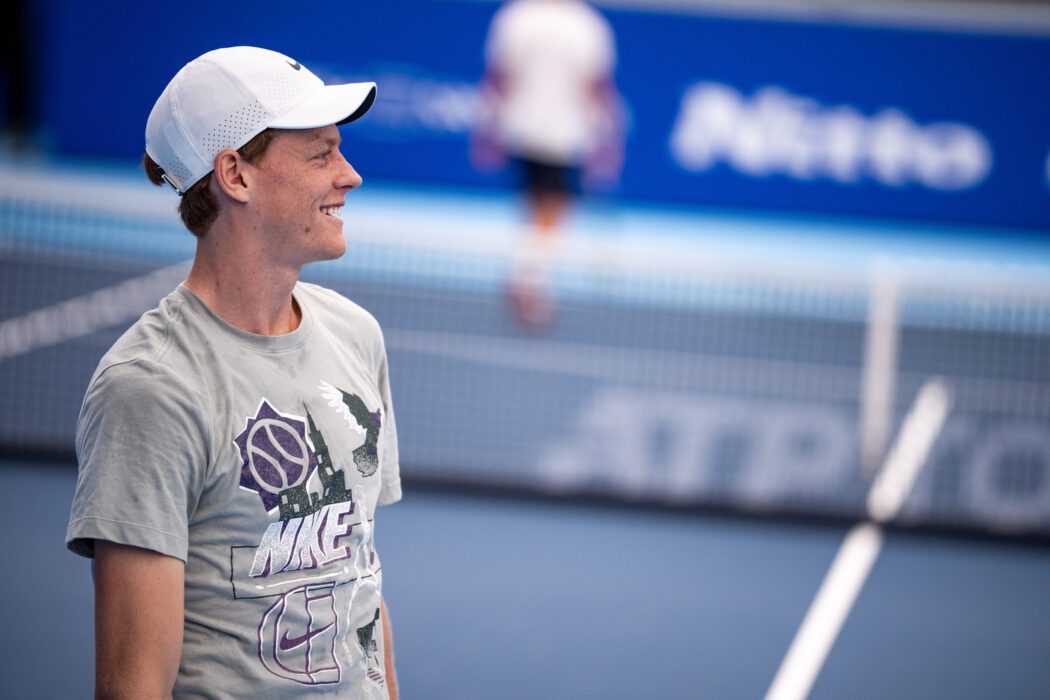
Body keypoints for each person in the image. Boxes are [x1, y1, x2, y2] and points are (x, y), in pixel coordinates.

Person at [65, 46, 401, 699]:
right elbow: (134, 683)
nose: (350, 175)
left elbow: (361, 587)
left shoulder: (358, 336)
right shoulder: (152, 389)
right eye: (321, 154)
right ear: (236, 175)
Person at [473, 0, 623, 329]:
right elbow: (596, 88)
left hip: (521, 131)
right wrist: (606, 140)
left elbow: (498, 78)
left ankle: (528, 278)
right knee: (553, 212)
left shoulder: (515, 16)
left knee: (535, 209)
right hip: (564, 138)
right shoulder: (587, 24)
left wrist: (488, 129)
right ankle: (526, 280)